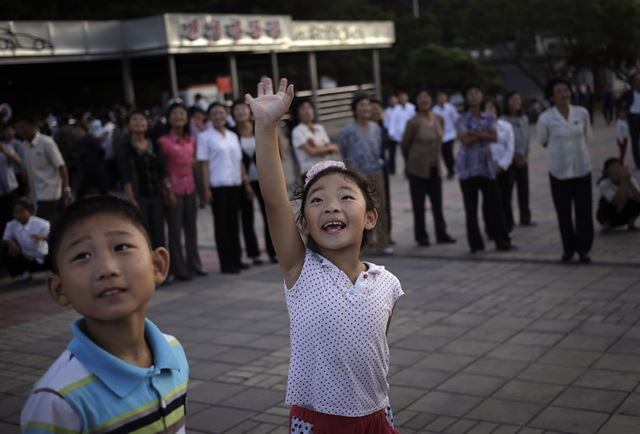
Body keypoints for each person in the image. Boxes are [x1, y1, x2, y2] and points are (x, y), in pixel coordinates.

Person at [247, 77, 402, 434]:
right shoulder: (300, 270)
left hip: (377, 415)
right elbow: (274, 198)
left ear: (370, 217)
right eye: (317, 200)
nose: (331, 207)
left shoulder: (387, 284)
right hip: (319, 420)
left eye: (346, 197)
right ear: (303, 222)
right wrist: (266, 126)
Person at [20, 196, 188, 433]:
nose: (107, 269)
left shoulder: (174, 352)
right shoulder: (56, 400)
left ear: (157, 265)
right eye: (82, 256)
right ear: (59, 289)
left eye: (121, 247)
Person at [538, 77, 594, 263]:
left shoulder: (582, 113)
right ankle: (568, 249)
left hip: (581, 169)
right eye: (559, 91)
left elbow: (588, 136)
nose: (564, 94)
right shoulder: (545, 118)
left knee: (584, 212)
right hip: (559, 172)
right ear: (552, 97)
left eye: (566, 90)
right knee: (564, 213)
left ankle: (584, 249)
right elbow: (543, 141)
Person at [455, 83, 514, 253]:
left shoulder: (489, 117)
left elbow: (494, 137)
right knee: (471, 209)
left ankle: (501, 240)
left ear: (482, 96)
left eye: (477, 93)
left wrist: (475, 134)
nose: (474, 96)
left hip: (487, 167)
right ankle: (476, 244)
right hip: (467, 169)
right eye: (470, 93)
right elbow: (464, 139)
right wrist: (483, 135)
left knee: (495, 206)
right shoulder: (461, 118)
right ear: (466, 98)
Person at [197, 102, 252, 274]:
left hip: (235, 184)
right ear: (209, 117)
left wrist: (246, 182)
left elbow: (239, 162)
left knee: (234, 224)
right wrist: (205, 189)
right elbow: (203, 165)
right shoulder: (204, 137)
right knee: (221, 226)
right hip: (217, 186)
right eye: (214, 113)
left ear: (226, 115)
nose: (219, 116)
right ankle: (226, 263)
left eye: (221, 113)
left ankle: (237, 258)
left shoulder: (232, 135)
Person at [400, 89, 456, 246]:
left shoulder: (439, 119)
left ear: (431, 100)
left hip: (435, 168)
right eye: (420, 97)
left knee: (437, 204)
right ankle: (421, 236)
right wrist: (409, 161)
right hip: (417, 169)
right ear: (416, 102)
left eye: (426, 97)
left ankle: (441, 234)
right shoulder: (413, 122)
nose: (424, 100)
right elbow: (405, 145)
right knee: (419, 205)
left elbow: (441, 141)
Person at [339, 94, 392, 253]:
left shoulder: (376, 128)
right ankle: (363, 243)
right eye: (362, 105)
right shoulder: (348, 130)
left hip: (376, 171)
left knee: (380, 206)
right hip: (358, 175)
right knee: (359, 209)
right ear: (355, 109)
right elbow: (344, 152)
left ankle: (383, 242)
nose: (366, 108)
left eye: (368, 105)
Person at [158, 102, 205, 280]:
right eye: (175, 114)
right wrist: (167, 191)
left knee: (191, 229)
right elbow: (162, 169)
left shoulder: (191, 139)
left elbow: (194, 165)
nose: (179, 117)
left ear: (187, 118)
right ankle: (179, 269)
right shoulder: (163, 142)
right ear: (169, 118)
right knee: (175, 232)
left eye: (182, 114)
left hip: (190, 189)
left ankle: (195, 264)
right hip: (174, 191)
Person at [116, 110, 170, 253]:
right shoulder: (125, 146)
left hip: (156, 194)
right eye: (135, 119)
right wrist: (132, 200)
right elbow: (125, 175)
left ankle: (162, 268)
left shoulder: (154, 143)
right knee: (142, 233)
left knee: (159, 233)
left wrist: (168, 190)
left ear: (147, 123)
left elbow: (162, 170)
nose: (139, 122)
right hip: (138, 195)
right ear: (129, 125)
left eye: (142, 119)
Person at [233, 99, 277, 264]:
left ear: (249, 111)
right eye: (237, 110)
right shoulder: (232, 133)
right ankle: (254, 254)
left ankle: (273, 251)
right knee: (247, 217)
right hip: (244, 181)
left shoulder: (258, 128)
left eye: (243, 109)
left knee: (269, 215)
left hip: (263, 178)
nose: (240, 112)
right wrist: (245, 182)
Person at [14, 115, 72, 222]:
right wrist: (28, 191)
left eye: (22, 127)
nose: (20, 131)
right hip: (35, 193)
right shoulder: (24, 146)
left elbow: (61, 166)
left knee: (45, 223)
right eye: (18, 128)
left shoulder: (46, 142)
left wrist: (66, 188)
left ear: (32, 126)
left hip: (50, 191)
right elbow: (28, 171)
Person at [502, 91, 534, 226]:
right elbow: (504, 142)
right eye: (513, 99)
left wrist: (525, 156)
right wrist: (514, 157)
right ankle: (508, 220)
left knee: (524, 190)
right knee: (507, 191)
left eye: (518, 99)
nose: (517, 102)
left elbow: (527, 139)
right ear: (507, 102)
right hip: (510, 160)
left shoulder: (524, 118)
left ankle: (525, 218)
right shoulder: (503, 120)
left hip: (523, 159)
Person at [290, 99, 340, 182]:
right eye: (303, 109)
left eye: (309, 107)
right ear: (297, 114)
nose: (307, 111)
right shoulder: (297, 131)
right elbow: (312, 152)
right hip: (310, 173)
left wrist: (316, 146)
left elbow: (332, 149)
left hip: (326, 170)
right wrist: (325, 148)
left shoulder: (319, 128)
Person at [484, 99, 515, 233]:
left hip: (504, 167)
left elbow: (510, 147)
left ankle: (507, 225)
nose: (490, 111)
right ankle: (491, 228)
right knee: (489, 200)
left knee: (505, 198)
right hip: (487, 168)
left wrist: (502, 165)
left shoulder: (506, 126)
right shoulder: (480, 127)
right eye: (487, 108)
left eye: (493, 108)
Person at [2, 197, 50, 282]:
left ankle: (52, 270)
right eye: (16, 212)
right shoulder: (11, 224)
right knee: (7, 248)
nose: (18, 215)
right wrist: (10, 242)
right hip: (27, 257)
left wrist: (43, 237)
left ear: (30, 212)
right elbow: (4, 240)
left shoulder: (43, 224)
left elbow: (53, 238)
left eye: (21, 211)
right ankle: (23, 272)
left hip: (43, 256)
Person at [371, 99, 393, 242]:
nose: (376, 112)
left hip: (382, 168)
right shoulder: (371, 129)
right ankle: (374, 236)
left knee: (386, 202)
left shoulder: (383, 128)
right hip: (372, 169)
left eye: (378, 109)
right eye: (373, 110)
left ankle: (387, 233)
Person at [596, 158, 640, 230]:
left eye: (618, 167)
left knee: (636, 198)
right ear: (607, 172)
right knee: (603, 201)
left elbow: (638, 198)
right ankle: (607, 224)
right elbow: (615, 201)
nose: (616, 170)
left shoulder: (630, 179)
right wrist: (623, 181)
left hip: (624, 216)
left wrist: (629, 182)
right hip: (610, 216)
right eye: (613, 168)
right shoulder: (603, 183)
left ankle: (631, 223)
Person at [73, 123, 108, 199]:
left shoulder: (91, 140)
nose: (77, 133)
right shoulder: (80, 141)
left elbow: (101, 152)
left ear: (83, 130)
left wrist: (96, 161)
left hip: (96, 168)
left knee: (102, 189)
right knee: (81, 190)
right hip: (87, 169)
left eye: (78, 130)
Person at [432, 91, 459, 179]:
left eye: (443, 97)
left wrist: (458, 131)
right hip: (440, 135)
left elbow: (456, 120)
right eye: (440, 98)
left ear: (446, 98)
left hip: (450, 134)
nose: (441, 99)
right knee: (444, 154)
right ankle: (450, 169)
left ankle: (451, 170)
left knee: (449, 153)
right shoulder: (435, 109)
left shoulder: (450, 108)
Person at [0, 128, 22, 236]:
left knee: (13, 217)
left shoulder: (7, 147)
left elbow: (18, 161)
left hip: (10, 190)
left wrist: (3, 150)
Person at [388, 91, 416, 175]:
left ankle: (411, 169)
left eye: (404, 97)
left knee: (413, 153)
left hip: (412, 135)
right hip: (401, 136)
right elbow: (393, 122)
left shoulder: (412, 107)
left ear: (407, 98)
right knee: (405, 153)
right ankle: (408, 169)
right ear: (399, 99)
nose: (403, 99)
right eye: (401, 98)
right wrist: (391, 133)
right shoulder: (396, 110)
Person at [621, 72, 640, 169]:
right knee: (635, 141)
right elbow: (619, 102)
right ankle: (638, 162)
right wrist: (623, 111)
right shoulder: (628, 93)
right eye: (637, 79)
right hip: (633, 117)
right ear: (633, 82)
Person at [382, 94, 399, 174]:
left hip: (400, 133)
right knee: (392, 153)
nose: (392, 101)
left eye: (394, 99)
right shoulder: (387, 111)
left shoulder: (399, 109)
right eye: (391, 100)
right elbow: (386, 123)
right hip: (391, 135)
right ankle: (392, 169)